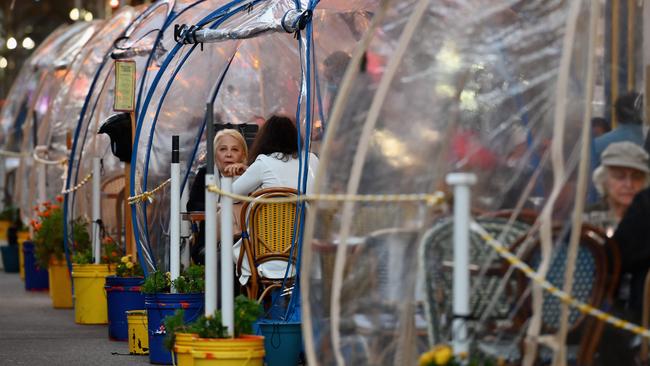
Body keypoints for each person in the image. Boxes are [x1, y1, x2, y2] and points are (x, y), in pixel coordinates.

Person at [222, 115, 319, 286]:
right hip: (306, 253)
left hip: (266, 254)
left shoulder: (264, 163)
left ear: (264, 139)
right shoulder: (312, 160)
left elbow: (228, 195)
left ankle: (240, 308)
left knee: (222, 250)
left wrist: (245, 174)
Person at [186, 129, 248, 264]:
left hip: (246, 241)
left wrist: (245, 173)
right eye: (223, 149)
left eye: (235, 150)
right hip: (210, 241)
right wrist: (219, 206)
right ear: (215, 155)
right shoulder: (205, 174)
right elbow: (192, 205)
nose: (229, 154)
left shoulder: (250, 175)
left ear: (243, 155)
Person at [585, 141, 650, 235]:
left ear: (645, 182)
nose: (629, 184)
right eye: (619, 176)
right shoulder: (586, 218)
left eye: (637, 176)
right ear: (603, 180)